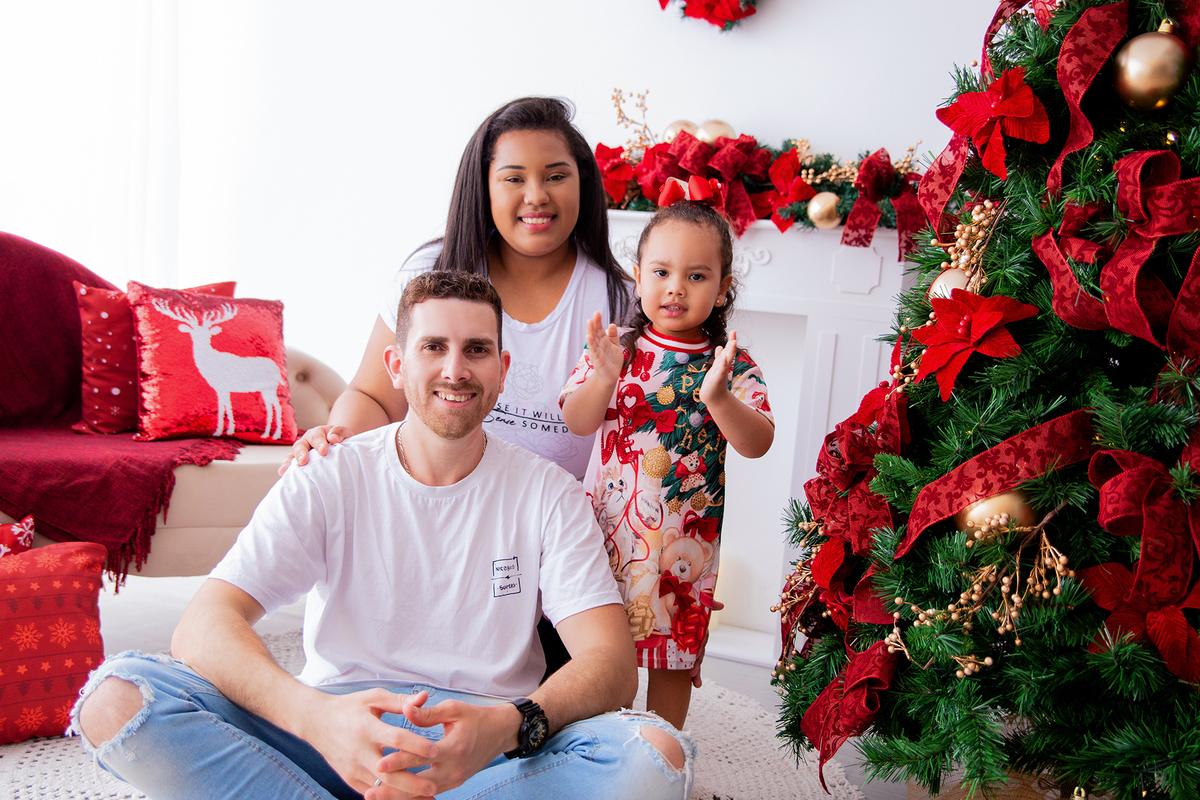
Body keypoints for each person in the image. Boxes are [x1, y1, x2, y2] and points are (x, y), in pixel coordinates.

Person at [71, 272, 694, 800]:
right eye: (433, 347)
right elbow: (204, 625)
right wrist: (315, 720)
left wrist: (507, 727)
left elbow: (610, 665)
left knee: (656, 754)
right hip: (331, 737)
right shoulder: (329, 474)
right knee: (117, 699)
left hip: (487, 755)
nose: (456, 369)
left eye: (477, 349)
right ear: (396, 365)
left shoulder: (547, 493)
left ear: (503, 370)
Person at [282, 96, 632, 483]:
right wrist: (340, 441)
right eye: (514, 178)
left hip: (563, 526)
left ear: (583, 183)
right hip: (438, 508)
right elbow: (374, 398)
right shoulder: (428, 273)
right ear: (484, 186)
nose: (536, 195)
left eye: (556, 176)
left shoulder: (623, 300)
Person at [559, 194, 775, 731]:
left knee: (673, 658)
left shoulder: (731, 364)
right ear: (638, 275)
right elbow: (576, 421)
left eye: (697, 276)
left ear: (724, 287)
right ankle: (598, 750)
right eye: (661, 271)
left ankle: (661, 757)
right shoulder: (618, 349)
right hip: (610, 535)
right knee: (600, 655)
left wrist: (719, 398)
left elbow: (757, 443)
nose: (676, 286)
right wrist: (604, 378)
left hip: (687, 549)